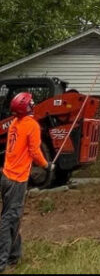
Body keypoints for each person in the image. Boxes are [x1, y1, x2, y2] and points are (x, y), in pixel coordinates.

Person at [0, 93, 52, 271]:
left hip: (6, 177)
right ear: (27, 107)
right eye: (30, 102)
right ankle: (3, 261)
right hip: (17, 180)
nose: (33, 103)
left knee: (13, 217)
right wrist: (47, 166)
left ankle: (14, 256)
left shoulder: (15, 123)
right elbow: (35, 152)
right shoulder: (31, 125)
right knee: (9, 219)